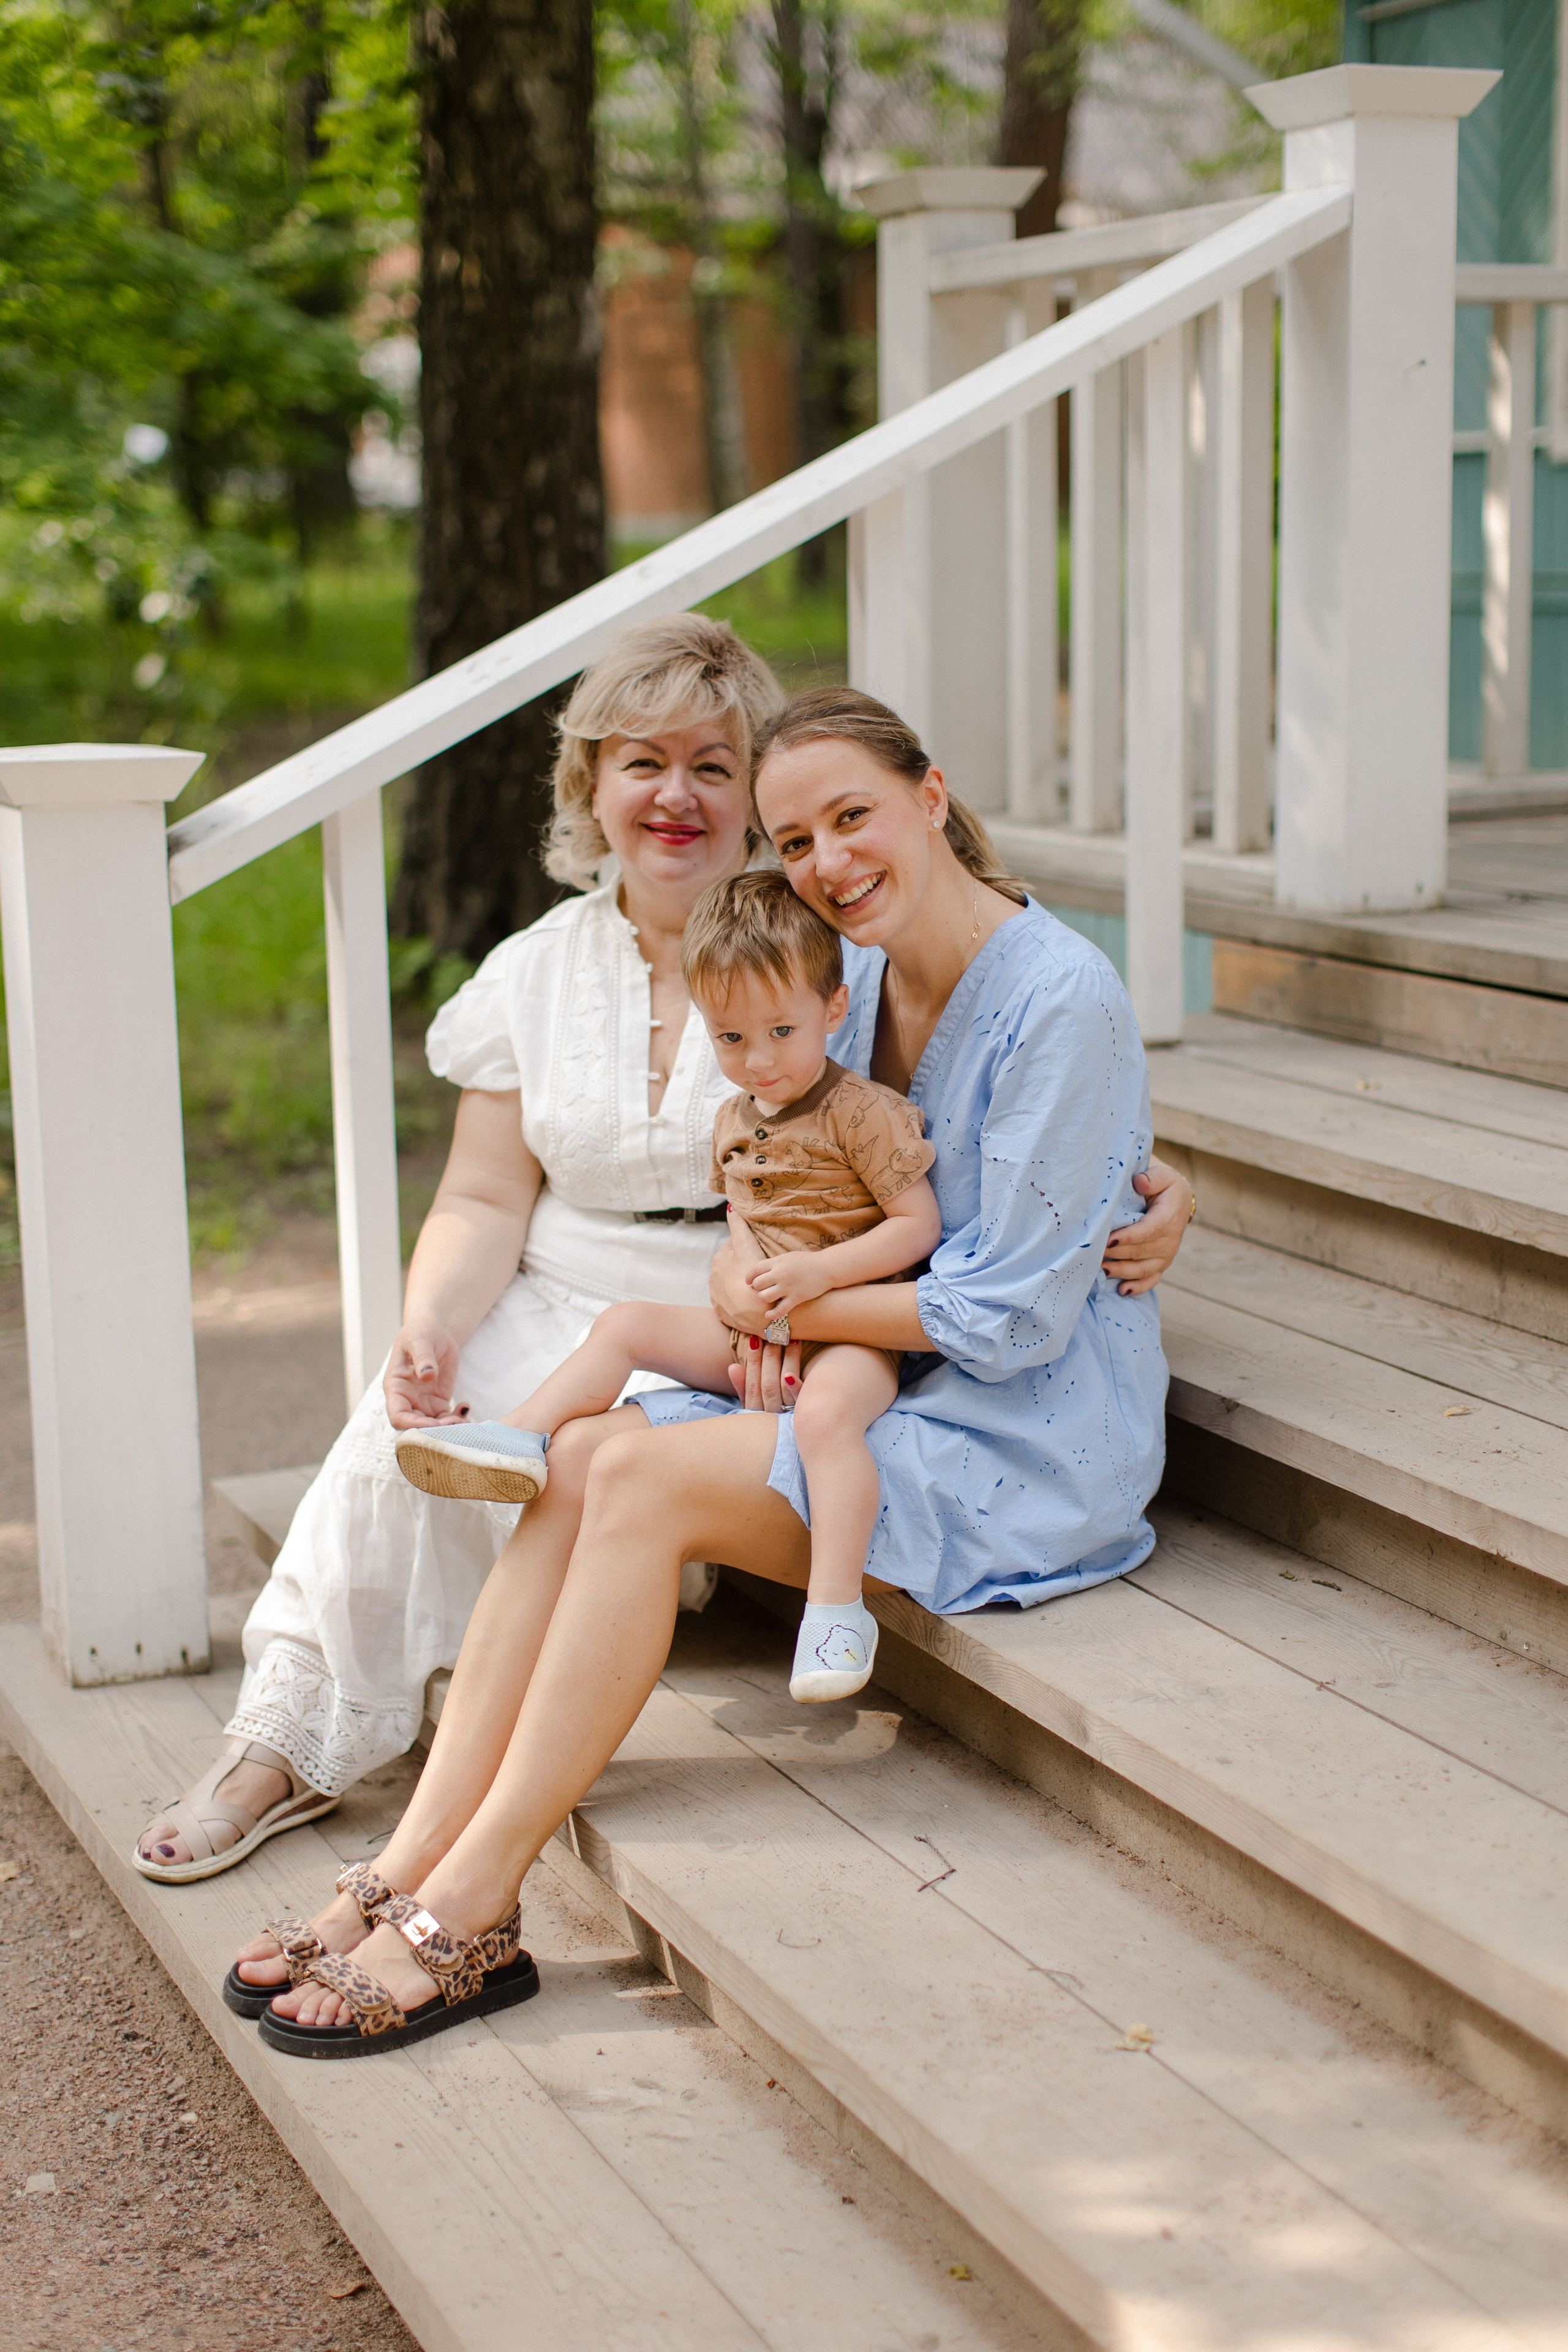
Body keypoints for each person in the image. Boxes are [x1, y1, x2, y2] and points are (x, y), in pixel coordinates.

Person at [239, 684, 1180, 2053]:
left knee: (643, 1481)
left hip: (1020, 1424)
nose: (827, 864)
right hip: (861, 1361)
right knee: (581, 1449)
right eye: (793, 840)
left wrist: (789, 1307)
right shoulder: (845, 975)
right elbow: (785, 1161)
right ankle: (410, 1861)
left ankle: (476, 1900)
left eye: (851, 817)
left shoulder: (1059, 998)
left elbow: (1015, 1317)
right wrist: (744, 1264)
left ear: (929, 795)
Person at [395, 869, 941, 1705]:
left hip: (855, 1333)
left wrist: (818, 1275)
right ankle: (521, 1439)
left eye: (781, 1030)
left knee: (831, 1417)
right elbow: (747, 1215)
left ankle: (835, 1610)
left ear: (834, 1010)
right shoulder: (735, 1117)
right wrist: (745, 1279)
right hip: (762, 1324)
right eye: (729, 1040)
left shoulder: (861, 1113)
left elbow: (917, 1227)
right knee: (623, 1325)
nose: (757, 1061)